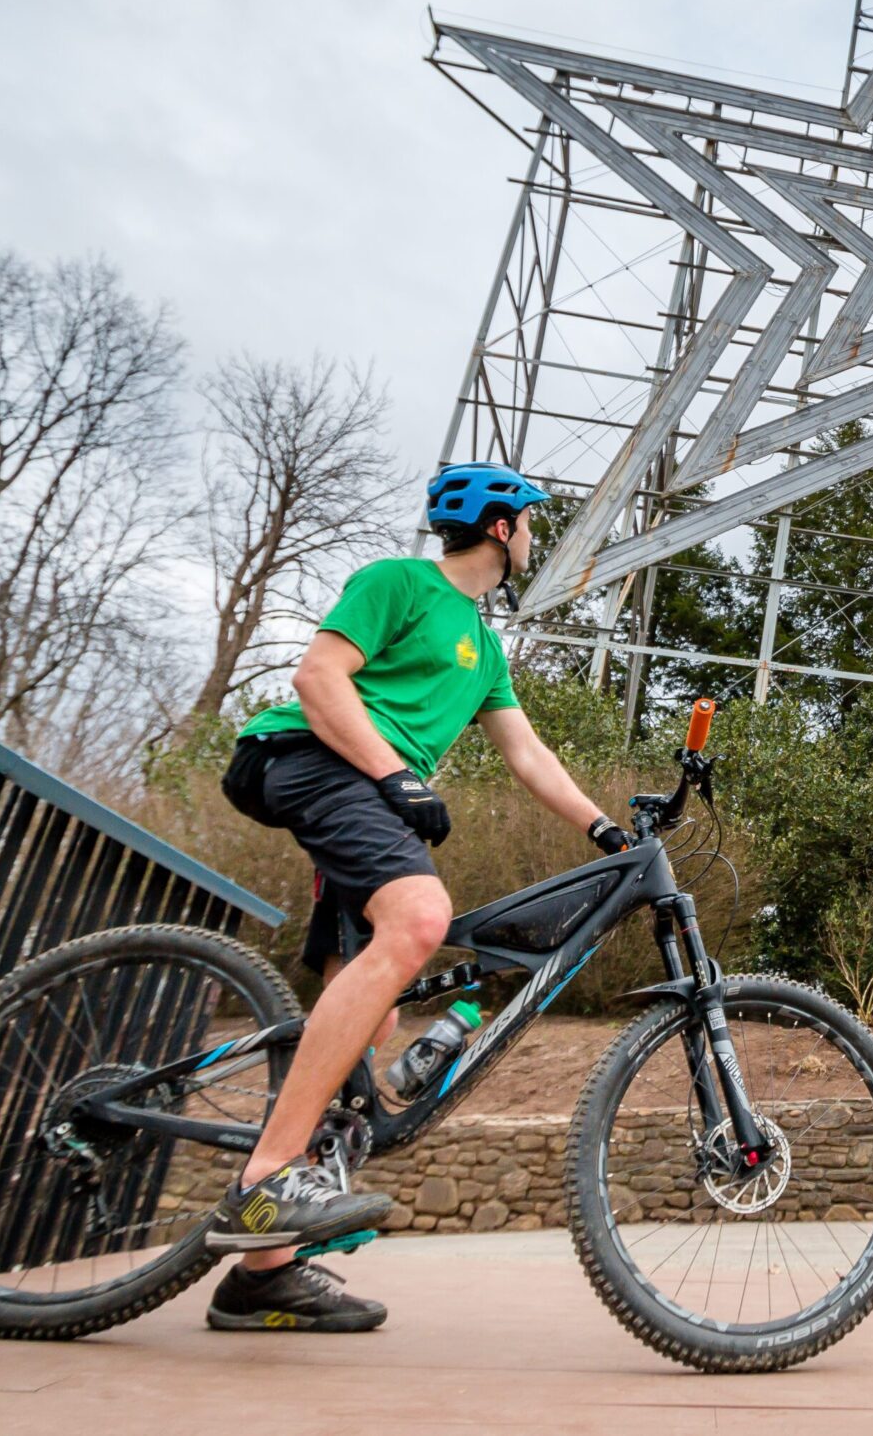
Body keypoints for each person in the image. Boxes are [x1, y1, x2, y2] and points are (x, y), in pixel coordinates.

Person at [203, 462, 629, 1331]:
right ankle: (265, 1183)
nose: (537, 538)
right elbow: (318, 679)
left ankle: (262, 1278)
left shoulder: (485, 646)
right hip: (310, 758)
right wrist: (397, 774)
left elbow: (529, 754)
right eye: (533, 523)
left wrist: (605, 830)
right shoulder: (399, 582)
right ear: (503, 529)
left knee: (375, 1016)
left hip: (362, 788)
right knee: (422, 919)